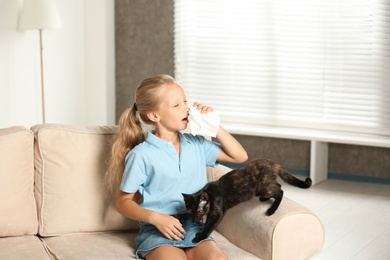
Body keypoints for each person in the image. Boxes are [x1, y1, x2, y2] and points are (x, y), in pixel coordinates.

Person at [107, 74, 248, 260]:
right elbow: (123, 202)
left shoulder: (197, 144)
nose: (187, 109)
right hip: (157, 228)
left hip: (194, 224)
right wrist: (156, 218)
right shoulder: (141, 155)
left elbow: (239, 156)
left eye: (185, 101)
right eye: (177, 105)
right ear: (154, 115)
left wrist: (214, 125)